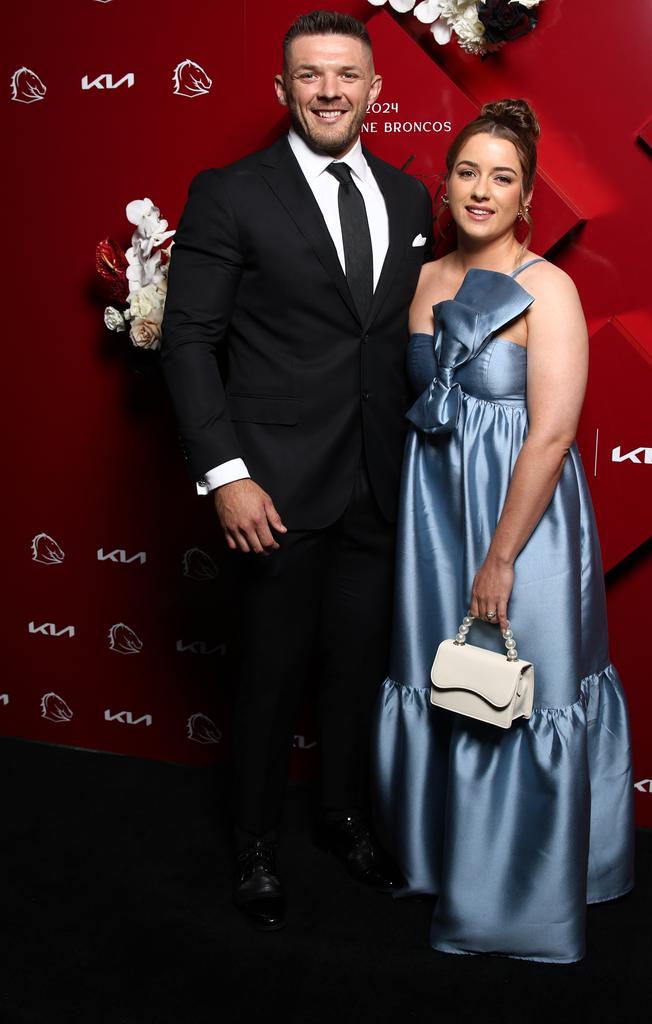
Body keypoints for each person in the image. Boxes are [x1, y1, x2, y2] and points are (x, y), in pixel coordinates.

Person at [161, 10, 434, 931]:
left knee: (358, 668)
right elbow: (189, 341)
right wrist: (226, 474)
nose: (329, 91)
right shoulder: (231, 192)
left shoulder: (407, 200)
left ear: (373, 93)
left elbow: (391, 340)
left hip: (378, 480)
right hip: (271, 486)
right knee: (272, 675)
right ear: (283, 91)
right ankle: (256, 844)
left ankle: (343, 818)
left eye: (346, 76)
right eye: (310, 76)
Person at [372, 99, 634, 962]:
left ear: (526, 199)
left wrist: (500, 557)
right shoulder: (419, 281)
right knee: (443, 680)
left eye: (504, 177)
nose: (482, 190)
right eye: (469, 172)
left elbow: (553, 431)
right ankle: (441, 859)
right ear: (445, 184)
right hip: (433, 511)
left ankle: (516, 899)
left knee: (520, 692)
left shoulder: (548, 287)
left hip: (522, 521)